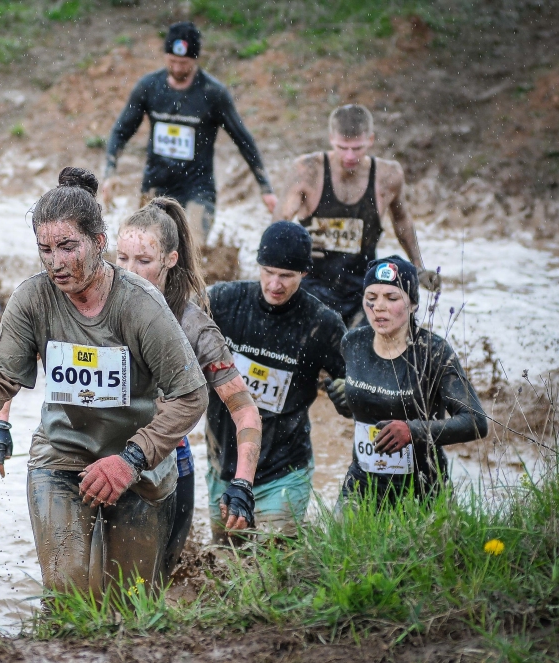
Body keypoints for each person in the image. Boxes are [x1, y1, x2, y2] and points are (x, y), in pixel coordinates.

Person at [0, 168, 209, 594]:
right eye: (45, 249)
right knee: (69, 591)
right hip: (60, 458)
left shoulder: (141, 305)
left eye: (67, 247)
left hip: (136, 465)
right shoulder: (33, 298)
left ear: (99, 243)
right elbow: (2, 379)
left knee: (129, 602)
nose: (56, 263)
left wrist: (130, 460)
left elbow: (191, 396)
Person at [114, 198, 261, 576]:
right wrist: (0, 418)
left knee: (157, 583)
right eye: (122, 259)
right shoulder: (93, 306)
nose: (129, 271)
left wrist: (242, 483)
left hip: (169, 470)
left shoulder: (195, 327)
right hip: (100, 459)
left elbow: (244, 410)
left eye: (143, 261)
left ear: (170, 259)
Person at [206, 221, 348, 538]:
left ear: (304, 274)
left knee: (270, 567)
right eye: (268, 271)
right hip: (223, 465)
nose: (275, 284)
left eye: (286, 276)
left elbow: (360, 393)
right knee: (222, 563)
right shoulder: (222, 302)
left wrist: (348, 397)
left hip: (284, 470)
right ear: (257, 265)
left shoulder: (322, 324)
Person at [100, 21, 276, 245]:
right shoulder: (149, 87)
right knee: (148, 248)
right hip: (157, 183)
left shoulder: (213, 93)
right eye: (172, 61)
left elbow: (243, 140)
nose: (177, 68)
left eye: (183, 63)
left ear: (195, 60)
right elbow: (121, 131)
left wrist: (265, 188)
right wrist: (109, 172)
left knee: (190, 248)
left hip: (198, 188)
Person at [333, 256, 487, 507]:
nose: (378, 307)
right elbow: (368, 405)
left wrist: (413, 431)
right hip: (361, 483)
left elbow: (476, 421)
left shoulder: (433, 352)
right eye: (371, 298)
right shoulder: (353, 343)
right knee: (336, 545)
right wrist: (343, 400)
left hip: (420, 487)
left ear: (413, 304)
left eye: (391, 298)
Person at [276, 104, 439, 326]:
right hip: (312, 283)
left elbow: (401, 220)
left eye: (357, 148)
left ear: (370, 139)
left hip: (363, 285)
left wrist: (418, 267)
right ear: (331, 138)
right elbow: (280, 223)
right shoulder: (307, 170)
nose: (350, 156)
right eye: (343, 147)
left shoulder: (388, 175)